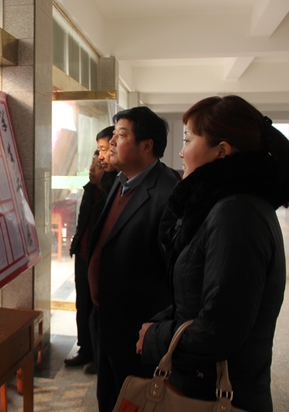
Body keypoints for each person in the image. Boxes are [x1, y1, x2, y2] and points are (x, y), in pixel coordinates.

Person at [136, 95, 289, 412]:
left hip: (218, 393)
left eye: (188, 140)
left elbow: (221, 330)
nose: (181, 152)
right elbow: (197, 297)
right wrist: (158, 324)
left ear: (222, 151)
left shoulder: (236, 214)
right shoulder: (220, 206)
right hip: (200, 383)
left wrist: (156, 338)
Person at [87, 107, 180, 412]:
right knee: (109, 395)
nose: (112, 141)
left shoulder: (168, 192)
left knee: (134, 399)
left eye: (121, 134)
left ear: (146, 145)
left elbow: (174, 271)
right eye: (113, 134)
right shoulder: (121, 180)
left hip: (136, 328)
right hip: (105, 317)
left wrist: (155, 328)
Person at [66, 151, 103, 374]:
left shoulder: (111, 193)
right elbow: (82, 224)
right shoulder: (90, 191)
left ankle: (98, 355)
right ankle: (85, 349)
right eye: (92, 163)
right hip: (82, 255)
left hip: (98, 259)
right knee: (82, 305)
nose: (91, 169)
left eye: (97, 165)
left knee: (97, 308)